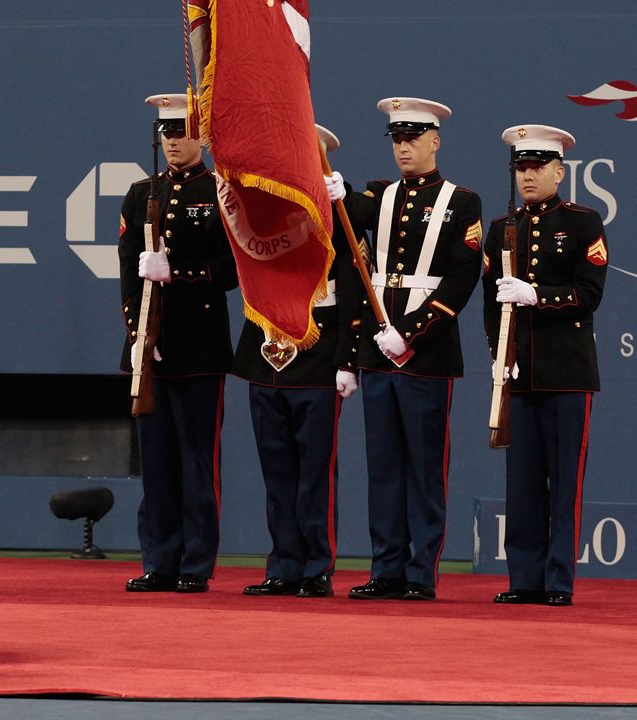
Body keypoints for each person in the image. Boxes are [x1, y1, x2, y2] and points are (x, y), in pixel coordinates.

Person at [345, 97, 483, 602]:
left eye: (412, 137)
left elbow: (461, 277)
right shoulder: (377, 195)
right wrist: (331, 190)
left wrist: (413, 331)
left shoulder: (460, 202)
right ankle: (386, 567)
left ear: (434, 140)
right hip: (378, 349)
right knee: (383, 467)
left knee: (424, 467)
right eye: (396, 139)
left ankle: (420, 572)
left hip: (426, 353)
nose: (403, 146)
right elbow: (358, 261)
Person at [233, 124, 369, 598]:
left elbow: (354, 291)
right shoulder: (260, 208)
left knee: (315, 472)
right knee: (276, 470)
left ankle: (316, 565)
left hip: (317, 356)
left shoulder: (337, 213)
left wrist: (347, 360)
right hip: (266, 353)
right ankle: (283, 563)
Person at [120, 93, 239, 593]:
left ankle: (195, 562)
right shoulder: (140, 192)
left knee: (196, 461)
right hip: (155, 348)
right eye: (166, 134)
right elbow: (129, 272)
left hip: (199, 346)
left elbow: (233, 271)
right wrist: (138, 335)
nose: (172, 141)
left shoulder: (221, 192)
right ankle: (159, 559)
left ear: (202, 137)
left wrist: (181, 273)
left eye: (182, 132)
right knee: (158, 463)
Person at [484, 124, 606, 607]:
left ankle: (558, 580)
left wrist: (538, 294)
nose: (528, 175)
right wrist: (499, 355)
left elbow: (589, 294)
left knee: (563, 484)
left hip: (567, 372)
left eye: (537, 166)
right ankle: (524, 579)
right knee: (523, 484)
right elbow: (492, 305)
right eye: (521, 167)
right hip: (520, 372)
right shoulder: (502, 228)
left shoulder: (583, 223)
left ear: (560, 170)